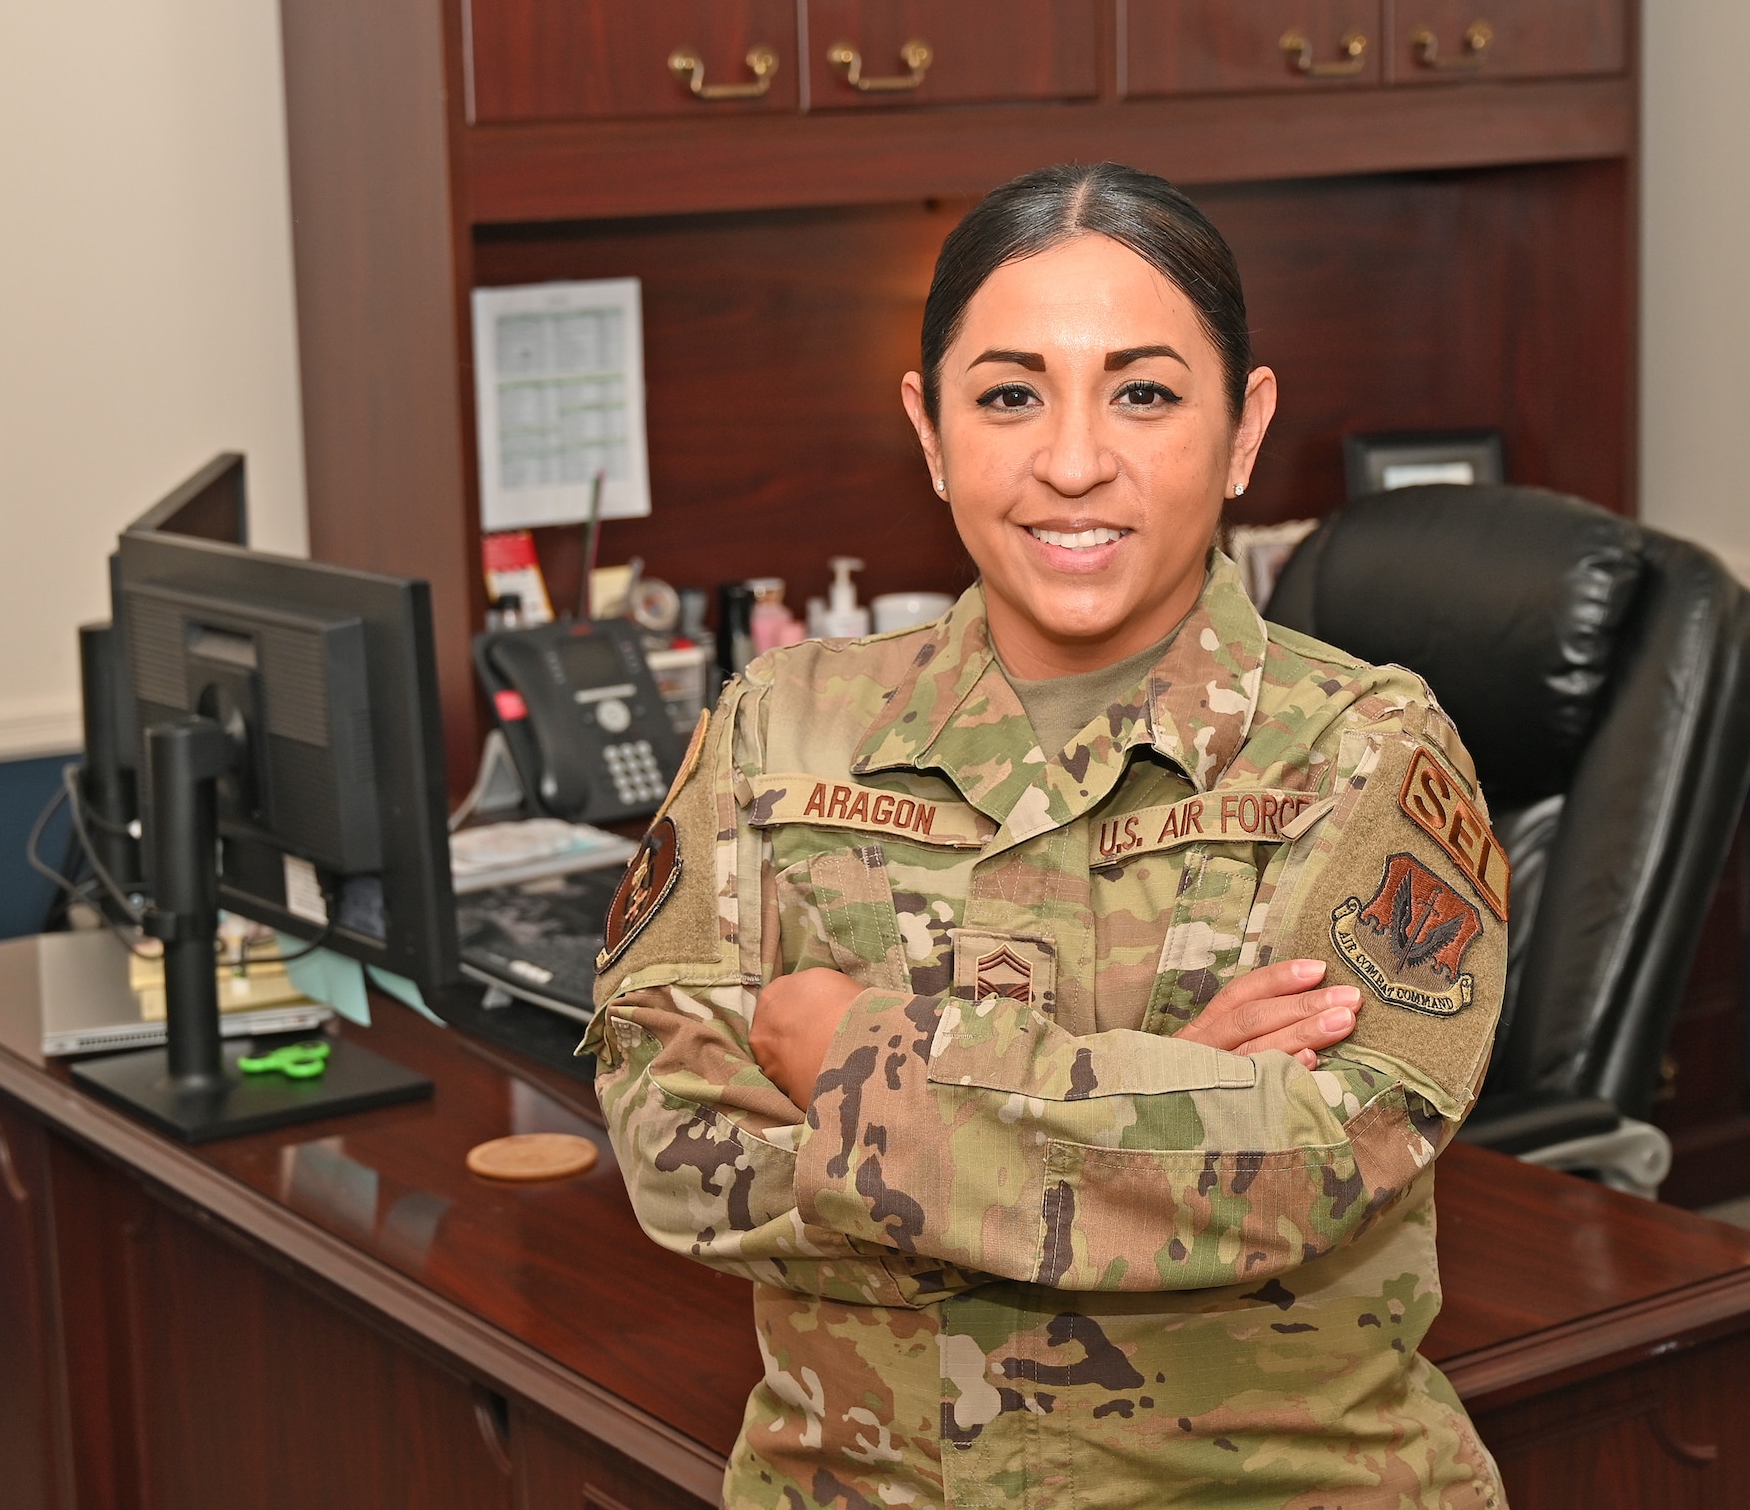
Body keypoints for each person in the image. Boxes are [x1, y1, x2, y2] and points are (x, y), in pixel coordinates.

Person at [588, 162, 1508, 1508]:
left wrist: (848, 1057)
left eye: (1144, 392)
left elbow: (1303, 1172)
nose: (1074, 461)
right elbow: (668, 1147)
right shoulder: (781, 727)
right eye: (1010, 394)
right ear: (932, 426)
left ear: (1245, 426)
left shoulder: (1367, 750)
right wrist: (1155, 1096)